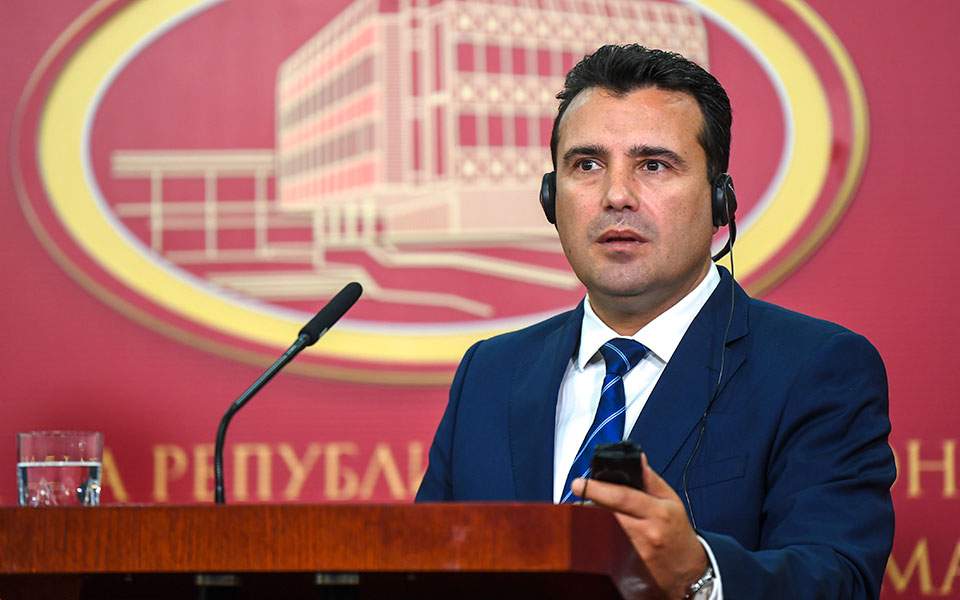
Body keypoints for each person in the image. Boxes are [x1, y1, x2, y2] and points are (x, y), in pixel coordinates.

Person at [416, 44, 895, 599]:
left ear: (720, 201)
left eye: (654, 165)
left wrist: (700, 575)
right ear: (551, 198)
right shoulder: (490, 372)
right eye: (587, 165)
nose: (616, 196)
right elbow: (422, 568)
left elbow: (839, 581)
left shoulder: (816, 368)